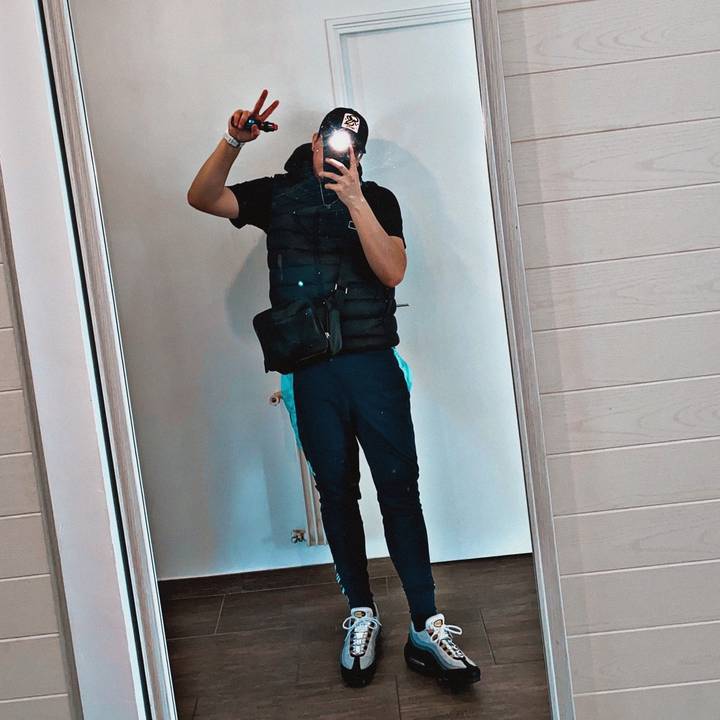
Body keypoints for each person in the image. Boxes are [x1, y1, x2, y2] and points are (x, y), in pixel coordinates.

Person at [187, 89, 481, 689]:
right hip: (311, 372)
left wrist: (354, 200)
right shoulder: (278, 194)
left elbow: (392, 270)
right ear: (314, 143)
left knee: (399, 489)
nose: (337, 152)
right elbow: (203, 197)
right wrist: (235, 141)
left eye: (350, 146)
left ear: (360, 155)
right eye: (330, 141)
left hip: (374, 367)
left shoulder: (378, 200)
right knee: (337, 493)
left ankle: (426, 624)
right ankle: (362, 613)